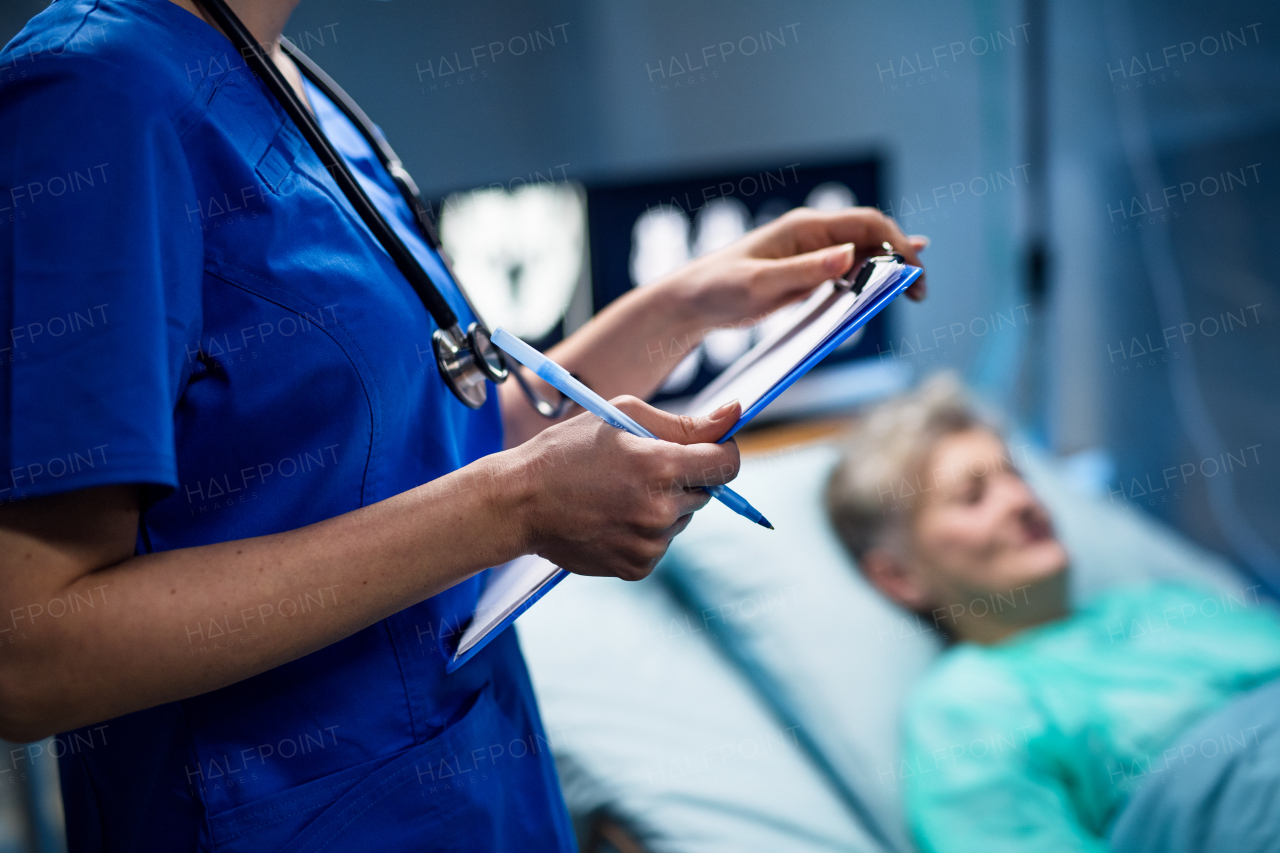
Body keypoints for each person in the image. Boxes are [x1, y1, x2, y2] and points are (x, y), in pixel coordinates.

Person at [0, 0, 928, 850]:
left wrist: (691, 304)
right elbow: (29, 653)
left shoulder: (286, 78)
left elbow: (449, 441)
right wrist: (508, 510)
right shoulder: (94, 92)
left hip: (480, 799)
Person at [824, 374, 1280, 853]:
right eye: (973, 497)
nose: (1022, 502)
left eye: (1016, 476)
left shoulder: (1161, 604)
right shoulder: (972, 704)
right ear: (899, 576)